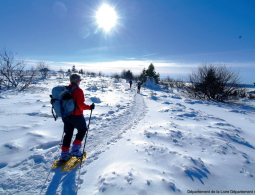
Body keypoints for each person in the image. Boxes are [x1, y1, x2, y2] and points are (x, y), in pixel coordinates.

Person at [58, 73, 95, 164]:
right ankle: (75, 150)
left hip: (66, 116)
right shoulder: (78, 91)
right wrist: (89, 107)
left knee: (68, 134)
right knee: (82, 129)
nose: (80, 82)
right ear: (76, 80)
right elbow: (80, 104)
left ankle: (64, 155)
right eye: (79, 80)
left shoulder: (66, 89)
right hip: (76, 115)